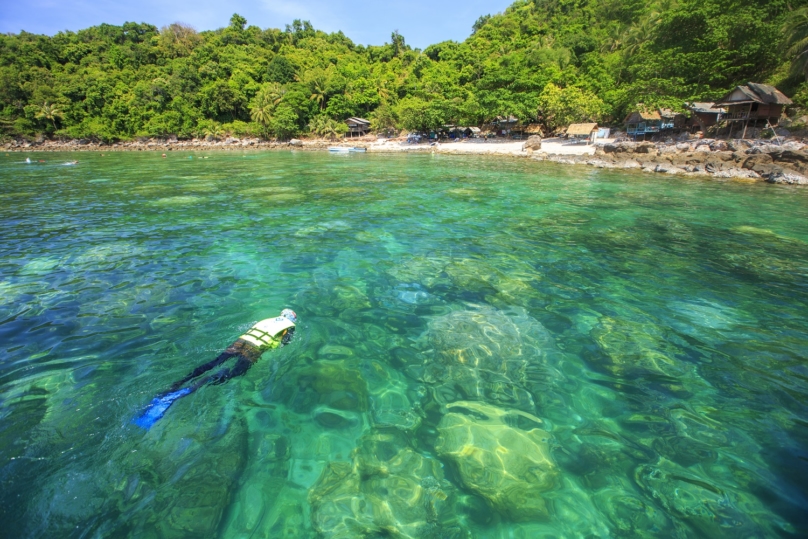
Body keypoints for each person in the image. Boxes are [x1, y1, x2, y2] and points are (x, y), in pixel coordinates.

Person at [134, 309, 298, 429]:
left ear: (281, 314)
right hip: (254, 349)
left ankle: (175, 385)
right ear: (291, 319)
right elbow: (285, 343)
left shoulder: (267, 319)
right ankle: (204, 382)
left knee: (212, 363)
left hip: (240, 342)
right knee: (234, 373)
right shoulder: (290, 326)